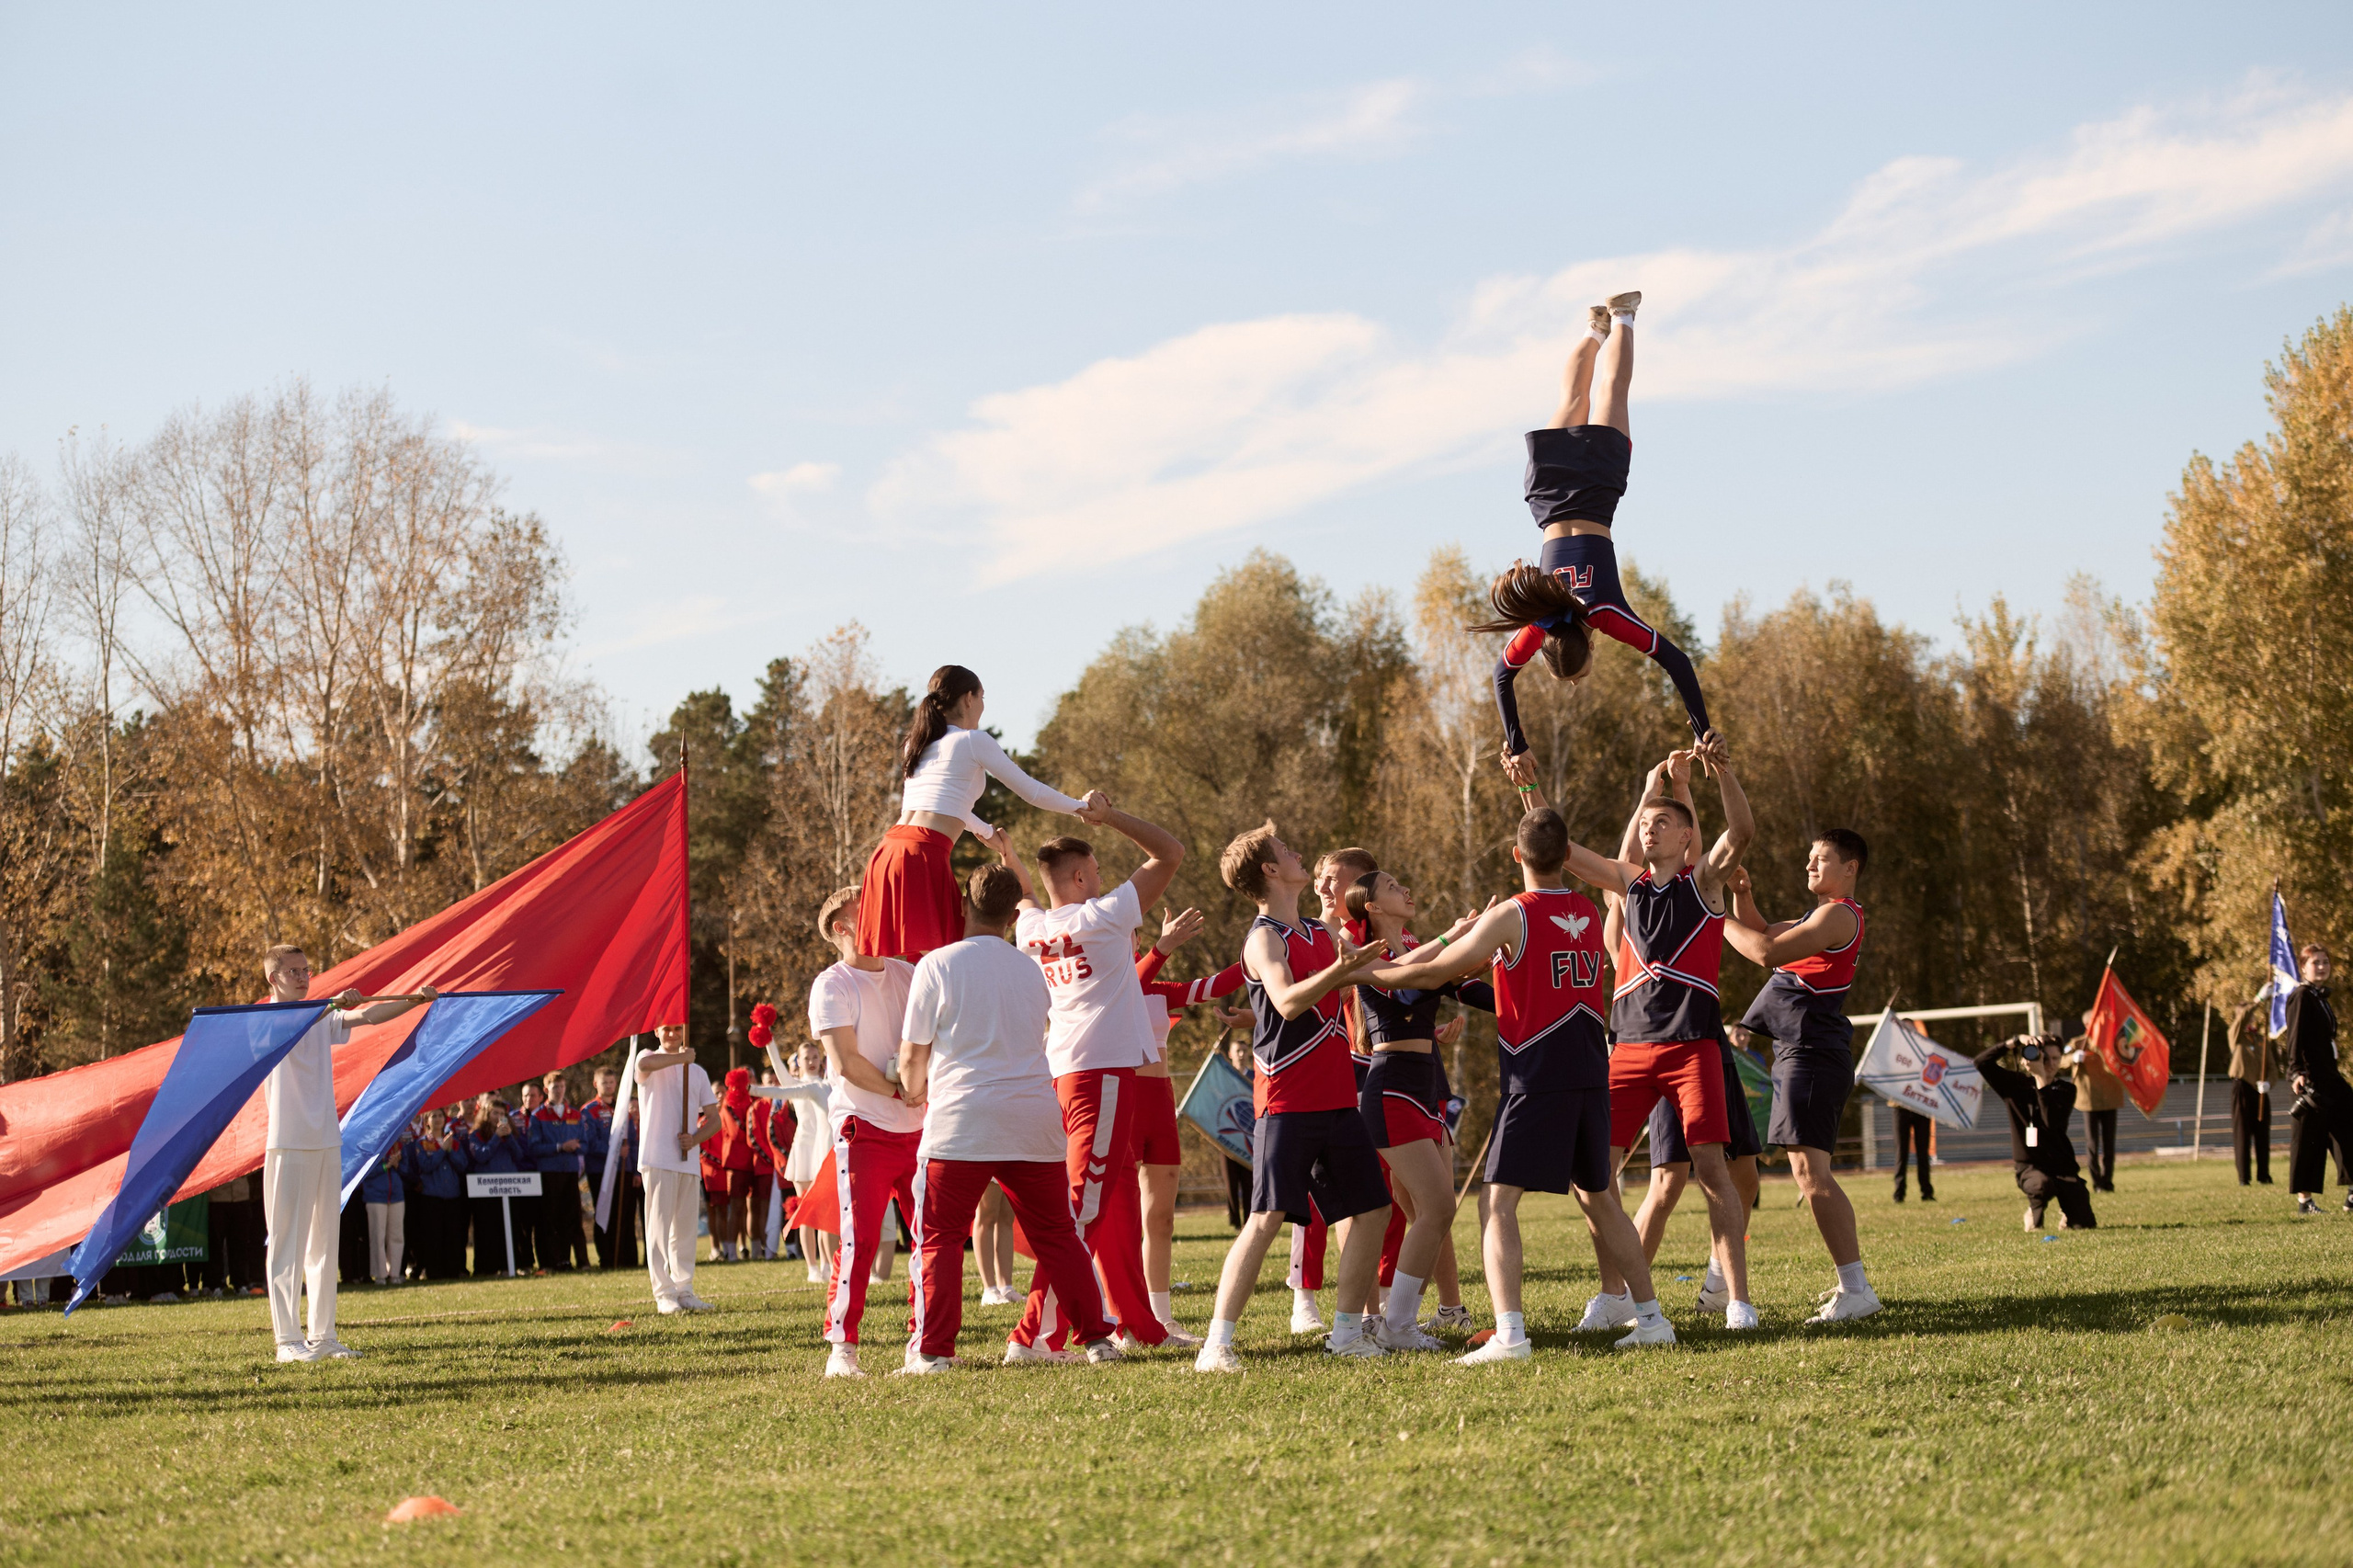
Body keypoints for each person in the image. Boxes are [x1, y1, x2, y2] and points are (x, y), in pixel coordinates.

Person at [1362, 807, 1676, 1362]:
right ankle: (1650, 1319)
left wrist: (1370, 973)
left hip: (1536, 1076)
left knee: (1497, 1204)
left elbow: (1434, 972)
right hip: (1588, 1070)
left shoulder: (1513, 914)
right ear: (1567, 857)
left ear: (1516, 856)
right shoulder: (1584, 906)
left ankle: (1510, 1334)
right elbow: (1517, 988)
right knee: (1601, 1199)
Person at [898, 862, 1126, 1374]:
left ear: (963, 905)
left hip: (963, 1118)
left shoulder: (936, 964)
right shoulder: (1030, 967)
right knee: (1058, 1236)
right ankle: (1096, 1340)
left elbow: (914, 1054)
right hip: (1031, 1116)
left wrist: (912, 1092)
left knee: (938, 1237)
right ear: (1009, 913)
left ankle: (933, 1352)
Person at [1475, 294, 1717, 762]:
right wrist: (1516, 743)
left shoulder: (1603, 613)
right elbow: (1501, 676)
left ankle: (1624, 314)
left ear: (1589, 645)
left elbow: (1678, 662)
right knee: (1571, 399)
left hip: (1598, 493)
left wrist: (1702, 730)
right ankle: (1594, 329)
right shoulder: (1538, 618)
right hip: (1547, 496)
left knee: (1612, 394)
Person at [1194, 822, 1390, 1372]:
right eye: (1286, 850)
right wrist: (1339, 970)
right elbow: (1284, 1002)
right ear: (1271, 871)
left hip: (1335, 1101)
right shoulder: (1264, 938)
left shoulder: (1316, 931)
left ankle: (1347, 1332)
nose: (1299, 852)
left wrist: (1456, 946)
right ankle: (1217, 1345)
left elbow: (1380, 971)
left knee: (1373, 1211)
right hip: (1286, 1102)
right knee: (1266, 1217)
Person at [1006, 799, 1191, 1356]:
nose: (1106, 881)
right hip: (1103, 1071)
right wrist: (1108, 816)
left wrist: (1010, 856)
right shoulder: (1104, 914)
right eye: (1099, 872)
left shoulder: (1031, 929)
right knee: (1084, 1209)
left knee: (1102, 1206)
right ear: (1083, 876)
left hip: (1063, 1069)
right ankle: (1035, 1333)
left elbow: (1027, 895)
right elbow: (1170, 852)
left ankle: (1135, 1321)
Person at [1722, 825, 1882, 1324]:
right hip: (1802, 1050)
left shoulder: (1839, 915)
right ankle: (1852, 1286)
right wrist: (1740, 898)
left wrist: (1708, 919)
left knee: (1811, 1173)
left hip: (1813, 1053)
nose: (1810, 866)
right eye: (1809, 858)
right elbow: (1767, 933)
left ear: (1850, 868)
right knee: (1808, 1171)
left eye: (1821, 859)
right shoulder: (1823, 915)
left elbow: (1767, 955)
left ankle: (1857, 1289)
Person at [256, 945, 436, 1362]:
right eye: (294, 972)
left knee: (323, 1242)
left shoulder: (319, 1013)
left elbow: (367, 1015)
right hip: (287, 1141)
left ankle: (323, 1336)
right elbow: (284, 1030)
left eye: (306, 970)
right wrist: (329, 1005)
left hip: (325, 1139)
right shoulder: (264, 1017)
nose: (303, 977)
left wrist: (414, 1001)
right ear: (274, 979)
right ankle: (287, 1341)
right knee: (286, 1243)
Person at [858, 664, 1102, 962]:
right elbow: (1031, 791)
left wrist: (986, 832)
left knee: (931, 961)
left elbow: (942, 803)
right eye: (983, 697)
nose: (983, 705)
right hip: (922, 855)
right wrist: (1080, 807)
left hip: (889, 852)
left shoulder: (917, 743)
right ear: (969, 698)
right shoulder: (973, 741)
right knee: (953, 958)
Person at [1344, 868, 1492, 1351]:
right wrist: (1458, 941)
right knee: (1437, 1207)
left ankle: (1398, 1322)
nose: (1405, 889)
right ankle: (1395, 1324)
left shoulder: (1410, 946)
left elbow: (1453, 985)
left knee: (1425, 1210)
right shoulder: (1370, 954)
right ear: (1373, 907)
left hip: (1422, 1086)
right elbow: (1411, 987)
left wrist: (1526, 1006)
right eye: (1391, 887)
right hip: (1390, 1090)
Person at [809, 883, 926, 1375]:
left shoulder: (911, 972)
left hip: (921, 1125)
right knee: (858, 1240)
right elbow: (846, 1063)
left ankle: (926, 1339)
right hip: (865, 1127)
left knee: (931, 1238)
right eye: (870, 910)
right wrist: (901, 1091)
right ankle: (843, 1347)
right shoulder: (831, 984)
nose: (884, 914)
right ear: (843, 928)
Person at [1132, 904, 1245, 1334]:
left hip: (1160, 1102)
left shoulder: (1158, 989)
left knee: (1160, 1217)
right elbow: (1129, 984)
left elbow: (1217, 985)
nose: (1129, 942)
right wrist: (1164, 947)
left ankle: (1161, 1317)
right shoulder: (1102, 986)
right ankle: (1116, 1312)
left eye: (1133, 937)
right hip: (1120, 1102)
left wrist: (1261, 949)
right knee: (1114, 1219)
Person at [634, 1022, 719, 1312]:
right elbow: (644, 1063)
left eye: (677, 1029)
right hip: (657, 1156)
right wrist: (681, 1058)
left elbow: (714, 1119)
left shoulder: (697, 1072)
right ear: (657, 1032)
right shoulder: (648, 1058)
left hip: (687, 1160)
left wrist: (694, 1139)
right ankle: (664, 1294)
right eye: (666, 1029)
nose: (672, 1035)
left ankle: (685, 1290)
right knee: (658, 1227)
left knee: (684, 1229)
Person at [1972, 1035, 2096, 1231]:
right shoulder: (2015, 1085)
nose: (2050, 1064)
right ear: (2030, 1058)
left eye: (2056, 1058)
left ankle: (2068, 1211)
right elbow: (1980, 1062)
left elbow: (2051, 1122)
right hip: (2030, 1166)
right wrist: (2013, 1042)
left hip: (2062, 1165)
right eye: (2045, 1058)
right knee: (2041, 1184)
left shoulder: (2066, 1089)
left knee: (2085, 1224)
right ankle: (2034, 1212)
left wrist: (2041, 1080)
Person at [2282, 943, 2353, 1215]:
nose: (2322, 966)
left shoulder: (2320, 997)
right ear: (2303, 967)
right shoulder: (2301, 996)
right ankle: (2305, 1202)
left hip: (2330, 1076)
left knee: (2348, 1126)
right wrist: (2296, 1071)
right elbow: (2294, 1038)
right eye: (2316, 962)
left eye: (2325, 961)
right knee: (2308, 1139)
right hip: (2309, 1078)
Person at [782, 1042, 835, 1282]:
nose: (812, 1061)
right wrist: (770, 1041)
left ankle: (827, 1264)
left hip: (823, 1150)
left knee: (825, 1211)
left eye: (816, 1056)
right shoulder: (795, 1085)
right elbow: (780, 1075)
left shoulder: (828, 1085)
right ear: (797, 1062)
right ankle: (812, 1267)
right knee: (805, 1211)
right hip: (804, 1150)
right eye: (806, 1057)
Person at [529, 1071, 591, 1270]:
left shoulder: (575, 1115)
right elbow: (534, 1148)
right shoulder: (538, 1116)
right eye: (555, 1087)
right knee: (550, 1219)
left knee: (572, 1217)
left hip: (570, 1172)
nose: (559, 1091)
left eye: (562, 1087)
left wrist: (576, 1147)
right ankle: (550, 1262)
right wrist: (559, 1147)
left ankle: (576, 1261)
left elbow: (586, 1144)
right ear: (546, 1090)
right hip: (549, 1173)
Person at [461, 1100, 530, 1277]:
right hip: (486, 1189)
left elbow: (519, 1155)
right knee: (487, 1228)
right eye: (495, 1113)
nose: (499, 1117)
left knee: (510, 1226)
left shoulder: (511, 1133)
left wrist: (508, 1138)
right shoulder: (476, 1134)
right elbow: (481, 1156)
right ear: (486, 1115)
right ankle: (487, 1268)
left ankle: (509, 1265)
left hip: (509, 1186)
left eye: (502, 1114)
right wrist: (495, 1138)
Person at [582, 1065, 641, 1269]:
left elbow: (631, 1143)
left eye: (611, 1082)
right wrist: (613, 1151)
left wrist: (634, 1170)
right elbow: (589, 1142)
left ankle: (627, 1259)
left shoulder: (623, 1109)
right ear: (596, 1084)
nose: (608, 1086)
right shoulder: (589, 1111)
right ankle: (608, 1259)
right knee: (605, 1214)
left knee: (625, 1214)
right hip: (601, 1171)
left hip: (624, 1170)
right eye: (604, 1082)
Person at [2068, 1012, 2126, 1193]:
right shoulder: (2077, 1043)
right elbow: (2059, 1061)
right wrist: (2073, 1058)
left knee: (2109, 1144)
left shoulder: (2114, 1043)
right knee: (2092, 1144)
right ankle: (2097, 1182)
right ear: (2087, 1024)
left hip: (2110, 1098)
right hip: (2089, 1100)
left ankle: (2108, 1182)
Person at [404, 1119, 469, 1279]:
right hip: (432, 1196)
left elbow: (462, 1165)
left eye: (441, 1116)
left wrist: (449, 1150)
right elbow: (426, 1166)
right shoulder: (422, 1143)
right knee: (433, 1236)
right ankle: (434, 1272)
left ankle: (452, 1271)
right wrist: (441, 1150)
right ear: (428, 1120)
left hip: (452, 1195)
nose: (438, 1120)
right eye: (434, 1116)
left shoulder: (452, 1141)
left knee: (452, 1235)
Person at [2224, 993, 2277, 1186]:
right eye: (2248, 1016)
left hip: (2260, 1090)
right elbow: (2241, 1019)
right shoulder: (2236, 1037)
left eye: (2253, 1016)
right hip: (2242, 1087)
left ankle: (2264, 1175)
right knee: (2242, 1135)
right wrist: (2257, 1001)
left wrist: (2269, 1082)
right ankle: (2243, 1178)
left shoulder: (2262, 1040)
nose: (2251, 1019)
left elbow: (2272, 1067)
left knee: (2263, 1134)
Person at [360, 1139, 406, 1287]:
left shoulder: (398, 1146)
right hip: (376, 1196)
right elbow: (364, 1171)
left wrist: (397, 1164)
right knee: (377, 1237)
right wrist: (385, 1167)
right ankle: (380, 1275)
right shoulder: (370, 1144)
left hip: (397, 1196)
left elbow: (409, 1170)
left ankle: (395, 1273)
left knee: (397, 1236)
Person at [1890, 1105, 1936, 1203]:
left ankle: (1927, 1193)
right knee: (1901, 1153)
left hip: (1921, 1107)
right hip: (1900, 1107)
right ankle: (1899, 1195)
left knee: (1923, 1153)